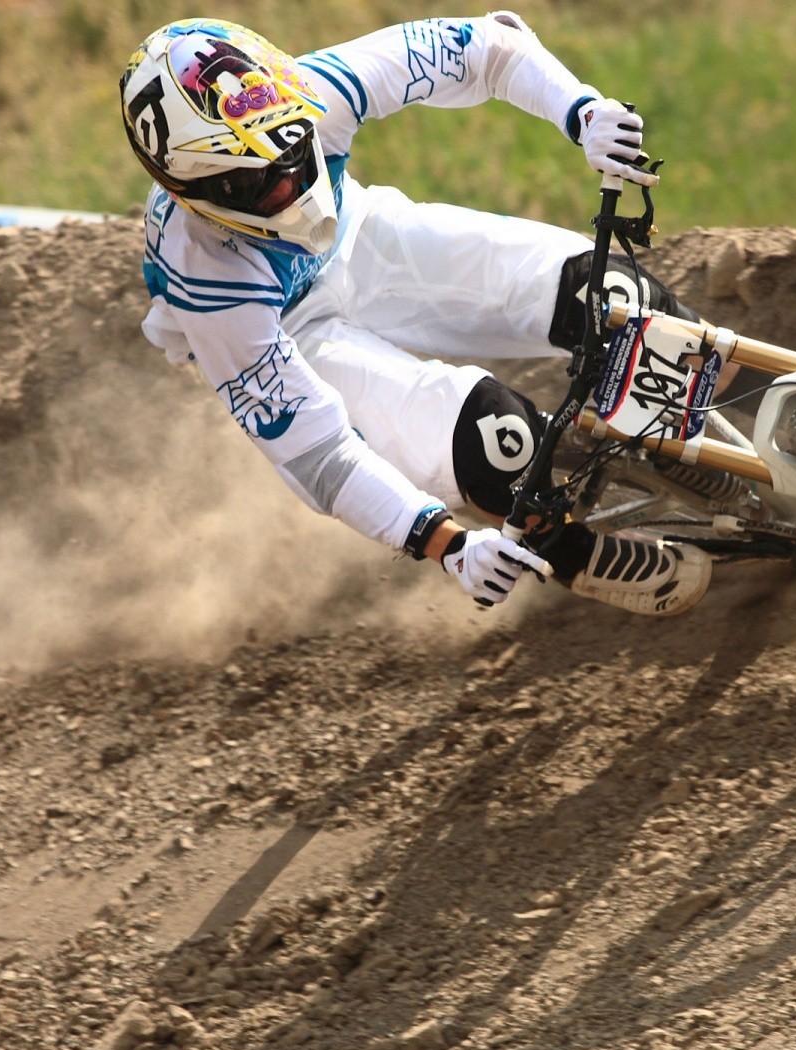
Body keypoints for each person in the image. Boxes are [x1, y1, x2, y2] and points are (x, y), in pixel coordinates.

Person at [121, 13, 713, 616]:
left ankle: (725, 419)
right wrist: (448, 547)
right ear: (188, 193)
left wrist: (582, 112)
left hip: (362, 239)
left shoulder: (316, 87)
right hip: (293, 329)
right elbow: (317, 456)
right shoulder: (208, 282)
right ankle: (572, 550)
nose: (288, 187)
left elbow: (487, 45)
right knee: (498, 444)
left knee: (607, 294)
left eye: (294, 148)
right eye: (253, 184)